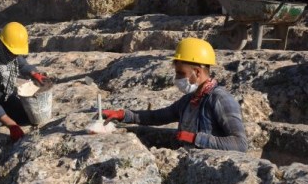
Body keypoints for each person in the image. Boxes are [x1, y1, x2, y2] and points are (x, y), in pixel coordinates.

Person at [102, 38, 248, 153]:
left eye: (181, 73)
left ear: (197, 72)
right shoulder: (189, 100)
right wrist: (123, 115)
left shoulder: (221, 100)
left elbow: (240, 144)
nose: (177, 78)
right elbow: (158, 117)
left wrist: (196, 139)